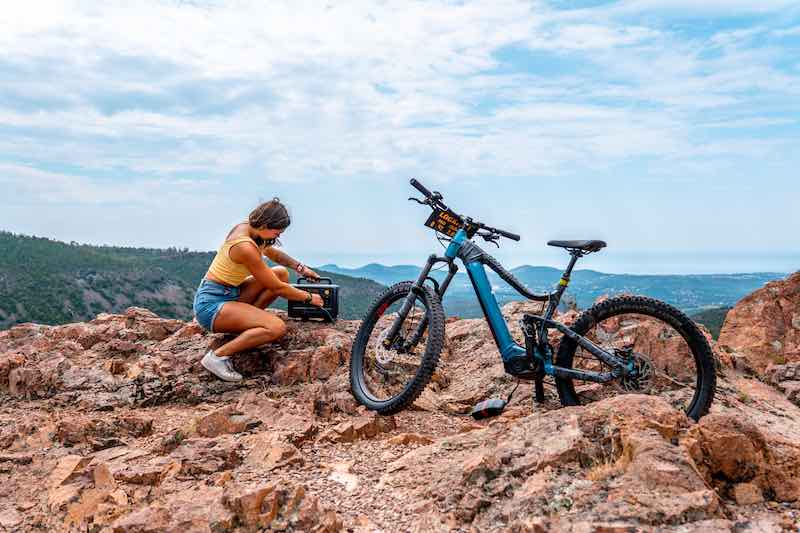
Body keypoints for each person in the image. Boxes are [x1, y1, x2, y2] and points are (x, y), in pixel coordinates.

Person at [193, 198, 324, 381]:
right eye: (277, 232)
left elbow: (274, 254)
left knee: (280, 273)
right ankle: (217, 357)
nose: (277, 237)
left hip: (231, 293)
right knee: (276, 327)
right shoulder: (244, 246)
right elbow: (275, 288)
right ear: (264, 224)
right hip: (212, 306)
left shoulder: (252, 229)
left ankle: (249, 324)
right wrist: (309, 298)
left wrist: (301, 268)